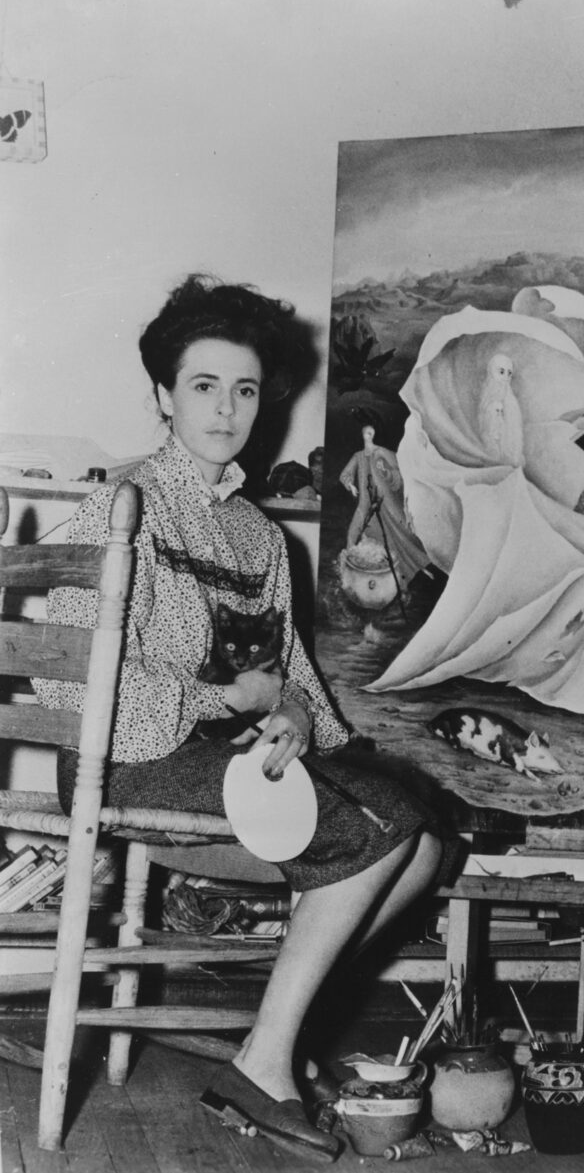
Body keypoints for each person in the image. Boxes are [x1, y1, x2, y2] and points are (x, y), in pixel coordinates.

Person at [34, 275, 446, 1163]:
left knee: (422, 846)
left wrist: (292, 709)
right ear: (163, 395)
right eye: (204, 385)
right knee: (380, 825)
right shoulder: (121, 505)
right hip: (127, 756)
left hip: (225, 766)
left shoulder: (261, 536)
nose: (227, 409)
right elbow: (74, 687)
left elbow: (290, 678)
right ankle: (265, 1063)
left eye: (246, 389)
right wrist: (222, 701)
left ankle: (276, 1037)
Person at [366, 287, 584, 738]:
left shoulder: (509, 405)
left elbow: (540, 448)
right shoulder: (466, 423)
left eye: (509, 372)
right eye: (498, 371)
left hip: (523, 500)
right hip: (507, 507)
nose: (504, 378)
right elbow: (486, 464)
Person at [339, 423, 430, 589]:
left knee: (397, 531)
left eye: (371, 433)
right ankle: (349, 566)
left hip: (385, 501)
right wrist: (350, 485)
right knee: (355, 528)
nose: (369, 436)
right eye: (366, 433)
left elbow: (399, 477)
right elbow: (345, 474)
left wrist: (386, 472)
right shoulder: (358, 456)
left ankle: (405, 570)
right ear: (362, 434)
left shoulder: (383, 452)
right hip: (365, 500)